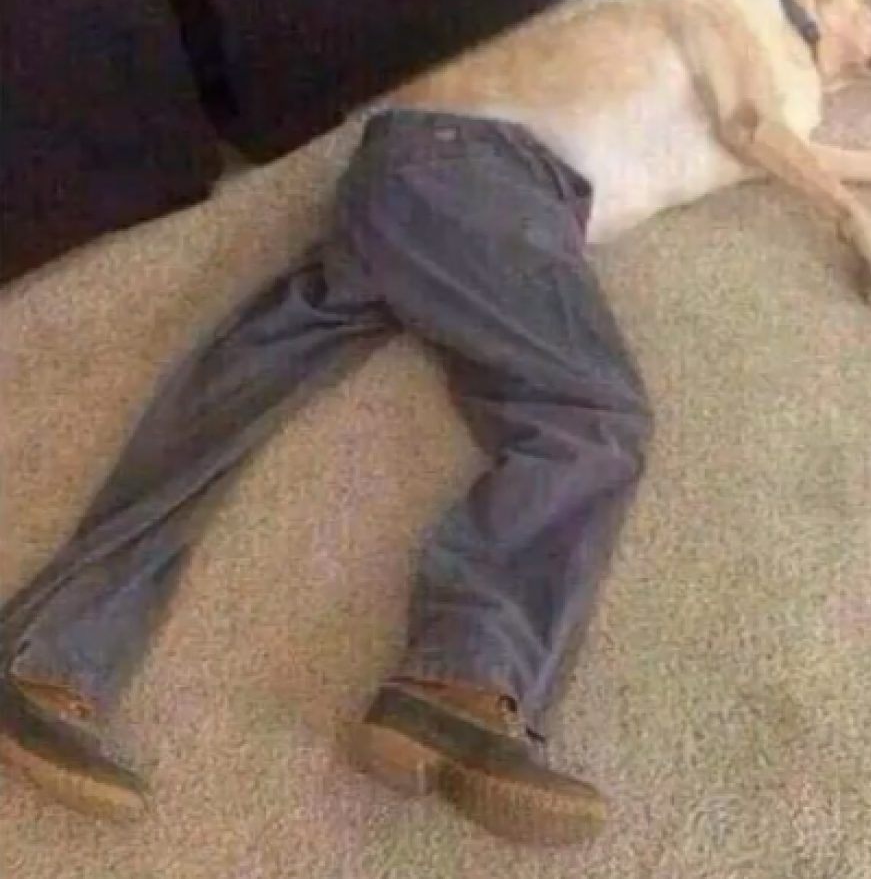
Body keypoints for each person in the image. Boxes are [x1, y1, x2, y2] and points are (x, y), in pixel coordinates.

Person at [0, 110, 654, 847]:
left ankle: (44, 656)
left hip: (406, 179)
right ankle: (465, 681)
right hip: (487, 170)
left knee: (231, 395)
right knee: (592, 415)